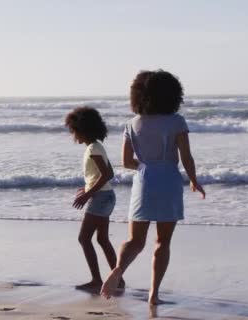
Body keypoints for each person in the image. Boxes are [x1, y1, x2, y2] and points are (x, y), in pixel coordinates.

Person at [100, 70, 205, 305]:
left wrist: (146, 166)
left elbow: (127, 162)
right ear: (172, 94)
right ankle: (153, 294)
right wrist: (194, 180)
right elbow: (186, 156)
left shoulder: (132, 123)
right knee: (162, 242)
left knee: (135, 240)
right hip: (169, 179)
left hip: (144, 180)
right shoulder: (176, 121)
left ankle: (117, 270)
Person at [65, 106, 124, 293]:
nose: (73, 135)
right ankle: (119, 280)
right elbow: (109, 173)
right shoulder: (97, 146)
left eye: (74, 131)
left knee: (84, 238)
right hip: (106, 195)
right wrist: (87, 187)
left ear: (82, 129)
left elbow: (106, 174)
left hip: (100, 197)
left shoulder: (93, 148)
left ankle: (97, 280)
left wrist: (87, 194)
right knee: (102, 239)